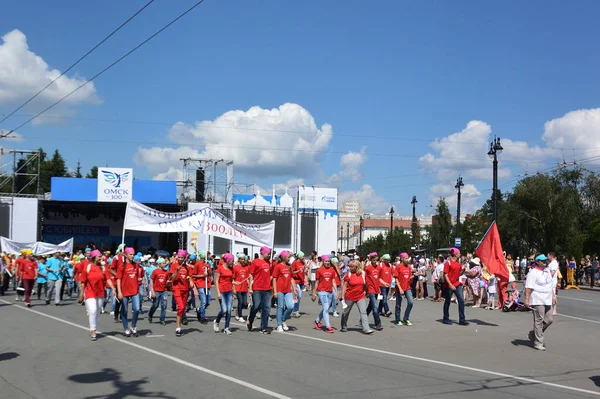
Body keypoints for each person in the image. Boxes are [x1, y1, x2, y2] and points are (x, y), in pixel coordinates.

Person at [79, 250, 115, 341]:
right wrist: (81, 294)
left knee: (98, 311)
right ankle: (93, 331)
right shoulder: (87, 267)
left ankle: (94, 326)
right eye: (99, 256)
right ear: (94, 257)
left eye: (101, 256)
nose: (101, 257)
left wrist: (113, 289)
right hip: (89, 292)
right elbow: (83, 282)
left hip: (100, 292)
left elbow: (108, 279)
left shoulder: (103, 268)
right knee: (93, 310)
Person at [525, 254, 555, 351]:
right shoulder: (533, 272)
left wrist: (553, 296)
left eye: (545, 260)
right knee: (539, 320)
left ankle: (533, 334)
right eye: (542, 261)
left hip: (547, 299)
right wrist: (527, 299)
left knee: (549, 319)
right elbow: (528, 287)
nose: (545, 262)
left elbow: (550, 285)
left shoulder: (547, 271)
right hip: (537, 299)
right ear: (537, 262)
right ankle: (538, 342)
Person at [340, 260, 373, 334]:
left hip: (360, 296)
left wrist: (367, 292)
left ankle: (366, 329)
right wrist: (342, 296)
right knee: (346, 312)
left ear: (357, 267)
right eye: (349, 266)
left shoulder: (363, 274)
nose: (350, 268)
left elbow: (366, 284)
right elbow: (344, 286)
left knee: (363, 312)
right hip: (349, 296)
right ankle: (343, 326)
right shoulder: (348, 274)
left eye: (352, 266)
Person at [247, 246, 274, 334]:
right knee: (256, 306)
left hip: (267, 289)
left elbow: (271, 275)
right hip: (257, 288)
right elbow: (251, 275)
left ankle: (264, 327)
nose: (269, 255)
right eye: (268, 253)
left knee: (266, 308)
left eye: (270, 254)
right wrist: (250, 288)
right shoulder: (255, 262)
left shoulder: (269, 263)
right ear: (262, 253)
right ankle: (250, 319)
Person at [117, 247, 142, 337]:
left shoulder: (135, 265)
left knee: (137, 309)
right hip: (124, 291)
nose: (132, 256)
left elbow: (136, 277)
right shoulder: (122, 266)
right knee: (125, 310)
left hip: (135, 290)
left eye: (133, 254)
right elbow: (118, 279)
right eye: (130, 254)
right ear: (126, 255)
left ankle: (133, 326)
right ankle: (126, 328)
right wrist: (119, 291)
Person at [443, 247, 468, 326]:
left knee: (461, 300)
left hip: (457, 284)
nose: (460, 254)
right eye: (459, 253)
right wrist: (450, 284)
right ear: (455, 254)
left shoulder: (458, 264)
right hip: (449, 285)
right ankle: (446, 318)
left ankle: (462, 319)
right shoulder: (448, 263)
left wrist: (463, 270)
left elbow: (459, 274)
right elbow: (445, 274)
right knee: (447, 301)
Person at [273, 251, 297, 332]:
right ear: (283, 257)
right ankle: (279, 324)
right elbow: (274, 278)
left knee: (290, 306)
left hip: (288, 290)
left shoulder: (289, 267)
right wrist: (275, 291)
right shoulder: (278, 266)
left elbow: (291, 278)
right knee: (280, 306)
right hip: (279, 289)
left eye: (289, 257)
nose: (289, 258)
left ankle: (283, 320)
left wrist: (294, 288)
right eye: (288, 257)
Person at [312, 254, 336, 333]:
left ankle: (317, 321)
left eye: (329, 261)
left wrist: (336, 291)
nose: (327, 263)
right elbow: (317, 282)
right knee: (326, 309)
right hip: (321, 292)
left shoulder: (332, 270)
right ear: (323, 261)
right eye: (326, 261)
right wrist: (314, 293)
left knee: (326, 308)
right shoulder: (319, 270)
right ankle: (328, 326)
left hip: (329, 291)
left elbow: (333, 281)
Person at [170, 249, 191, 337]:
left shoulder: (187, 267)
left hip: (185, 290)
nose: (180, 259)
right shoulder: (174, 265)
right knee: (181, 307)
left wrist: (193, 286)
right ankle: (178, 328)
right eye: (179, 257)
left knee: (182, 309)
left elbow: (189, 277)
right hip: (177, 289)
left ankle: (179, 326)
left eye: (182, 258)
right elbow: (172, 278)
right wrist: (176, 271)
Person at [214, 253, 235, 335]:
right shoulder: (220, 268)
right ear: (228, 260)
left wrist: (235, 284)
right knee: (224, 310)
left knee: (229, 310)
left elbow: (231, 280)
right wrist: (218, 292)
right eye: (232, 260)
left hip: (229, 291)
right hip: (222, 291)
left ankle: (226, 327)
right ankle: (217, 321)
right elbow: (216, 281)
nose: (233, 261)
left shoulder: (231, 269)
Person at [394, 252, 414, 326]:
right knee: (398, 304)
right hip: (399, 288)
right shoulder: (398, 267)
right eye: (406, 258)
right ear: (402, 259)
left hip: (407, 287)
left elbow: (409, 277)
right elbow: (396, 279)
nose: (407, 259)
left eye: (407, 258)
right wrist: (400, 289)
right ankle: (398, 319)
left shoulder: (408, 267)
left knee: (410, 302)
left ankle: (406, 318)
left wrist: (414, 276)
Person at [192, 250, 212, 324]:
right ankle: (202, 317)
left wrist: (208, 268)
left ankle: (199, 310)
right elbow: (193, 275)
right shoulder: (197, 264)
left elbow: (210, 274)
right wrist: (202, 276)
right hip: (200, 284)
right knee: (203, 301)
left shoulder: (207, 263)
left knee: (208, 302)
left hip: (207, 284)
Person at [364, 252, 383, 330]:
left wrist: (384, 283)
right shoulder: (367, 268)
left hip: (376, 289)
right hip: (370, 289)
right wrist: (366, 290)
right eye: (374, 260)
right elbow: (365, 280)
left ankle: (363, 318)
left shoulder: (379, 268)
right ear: (371, 260)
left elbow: (379, 278)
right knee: (375, 307)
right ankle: (378, 323)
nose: (375, 262)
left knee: (370, 306)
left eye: (376, 260)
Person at [148, 258, 169, 325]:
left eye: (165, 263)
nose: (165, 264)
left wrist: (168, 283)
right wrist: (152, 291)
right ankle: (150, 314)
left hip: (164, 291)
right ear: (159, 264)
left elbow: (168, 281)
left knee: (164, 305)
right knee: (155, 304)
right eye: (163, 263)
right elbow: (151, 280)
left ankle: (162, 319)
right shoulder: (155, 271)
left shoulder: (166, 272)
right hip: (156, 290)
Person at [233, 253, 249, 322]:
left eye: (244, 259)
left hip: (244, 287)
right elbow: (233, 279)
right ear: (239, 260)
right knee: (240, 301)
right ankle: (240, 316)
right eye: (242, 259)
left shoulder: (246, 267)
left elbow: (247, 277)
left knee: (245, 303)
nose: (243, 261)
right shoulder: (235, 267)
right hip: (238, 287)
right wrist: (233, 288)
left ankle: (237, 312)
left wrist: (250, 286)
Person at [291, 251, 306, 317]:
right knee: (299, 295)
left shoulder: (302, 262)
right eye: (302, 256)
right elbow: (292, 272)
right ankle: (295, 310)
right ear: (299, 256)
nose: (303, 257)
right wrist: (298, 271)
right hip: (296, 281)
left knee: (298, 297)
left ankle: (295, 309)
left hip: (301, 281)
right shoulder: (295, 263)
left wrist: (305, 280)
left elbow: (304, 272)